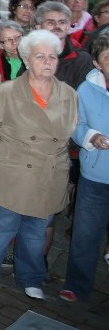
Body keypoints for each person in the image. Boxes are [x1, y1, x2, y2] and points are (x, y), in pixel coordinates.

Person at [0, 30, 77, 299]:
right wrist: (3, 153)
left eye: (52, 56)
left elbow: (70, 131)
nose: (47, 61)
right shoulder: (6, 91)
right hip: (13, 170)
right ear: (27, 59)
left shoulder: (68, 94)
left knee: (36, 231)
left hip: (49, 172)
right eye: (40, 56)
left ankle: (31, 277)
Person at [60, 35, 109, 302]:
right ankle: (77, 284)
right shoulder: (86, 89)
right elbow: (75, 125)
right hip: (96, 176)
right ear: (97, 63)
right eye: (107, 57)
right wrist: (92, 137)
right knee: (85, 233)